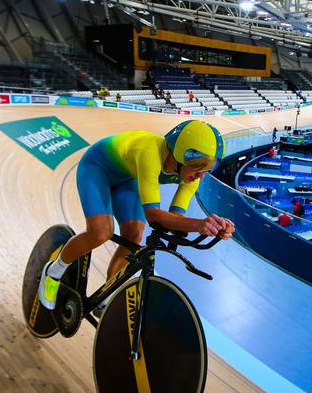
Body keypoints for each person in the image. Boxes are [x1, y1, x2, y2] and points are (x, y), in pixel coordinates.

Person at [38, 120, 236, 311]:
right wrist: (199, 224)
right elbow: (154, 216)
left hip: (127, 178)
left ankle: (105, 296)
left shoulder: (192, 176)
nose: (201, 175)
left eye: (207, 170)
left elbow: (175, 220)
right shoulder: (149, 152)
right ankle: (54, 271)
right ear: (179, 155)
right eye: (198, 167)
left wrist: (215, 227)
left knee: (134, 236)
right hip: (96, 168)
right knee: (101, 232)